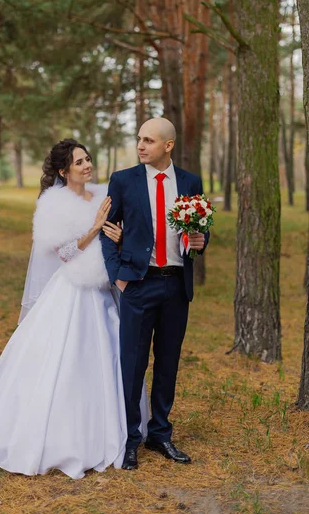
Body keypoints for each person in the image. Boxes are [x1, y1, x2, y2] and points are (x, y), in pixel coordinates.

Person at [0, 139, 131, 479]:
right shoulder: (53, 204)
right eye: (79, 162)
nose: (87, 165)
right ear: (63, 171)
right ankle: (59, 437)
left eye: (88, 159)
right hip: (71, 291)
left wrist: (115, 235)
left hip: (101, 290)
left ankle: (112, 429)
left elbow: (116, 238)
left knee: (110, 356)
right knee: (63, 361)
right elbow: (65, 253)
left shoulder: (103, 196)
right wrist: (96, 228)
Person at [100, 118, 209, 471]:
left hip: (176, 284)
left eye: (148, 140)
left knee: (168, 362)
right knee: (133, 364)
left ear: (168, 145)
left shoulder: (190, 181)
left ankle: (160, 433)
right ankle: (131, 438)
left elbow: (200, 231)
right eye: (139, 139)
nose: (141, 145)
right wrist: (119, 277)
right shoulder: (123, 180)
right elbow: (107, 230)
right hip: (138, 284)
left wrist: (200, 242)